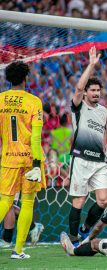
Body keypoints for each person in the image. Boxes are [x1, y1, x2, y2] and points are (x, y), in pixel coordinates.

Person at [0, 61, 46, 259]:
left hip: (8, 158)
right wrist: (36, 164)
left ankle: (17, 248)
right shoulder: (34, 101)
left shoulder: (0, 99)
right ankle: (18, 250)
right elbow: (35, 138)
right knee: (27, 202)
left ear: (8, 79)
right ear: (26, 78)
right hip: (29, 159)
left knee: (4, 201)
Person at [67, 47, 107, 246]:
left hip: (99, 161)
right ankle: (74, 239)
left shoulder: (103, 110)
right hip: (81, 158)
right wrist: (91, 65)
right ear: (85, 93)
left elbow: (102, 131)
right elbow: (77, 88)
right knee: (79, 201)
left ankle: (85, 229)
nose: (96, 93)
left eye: (98, 91)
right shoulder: (78, 106)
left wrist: (106, 148)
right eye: (92, 90)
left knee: (104, 200)